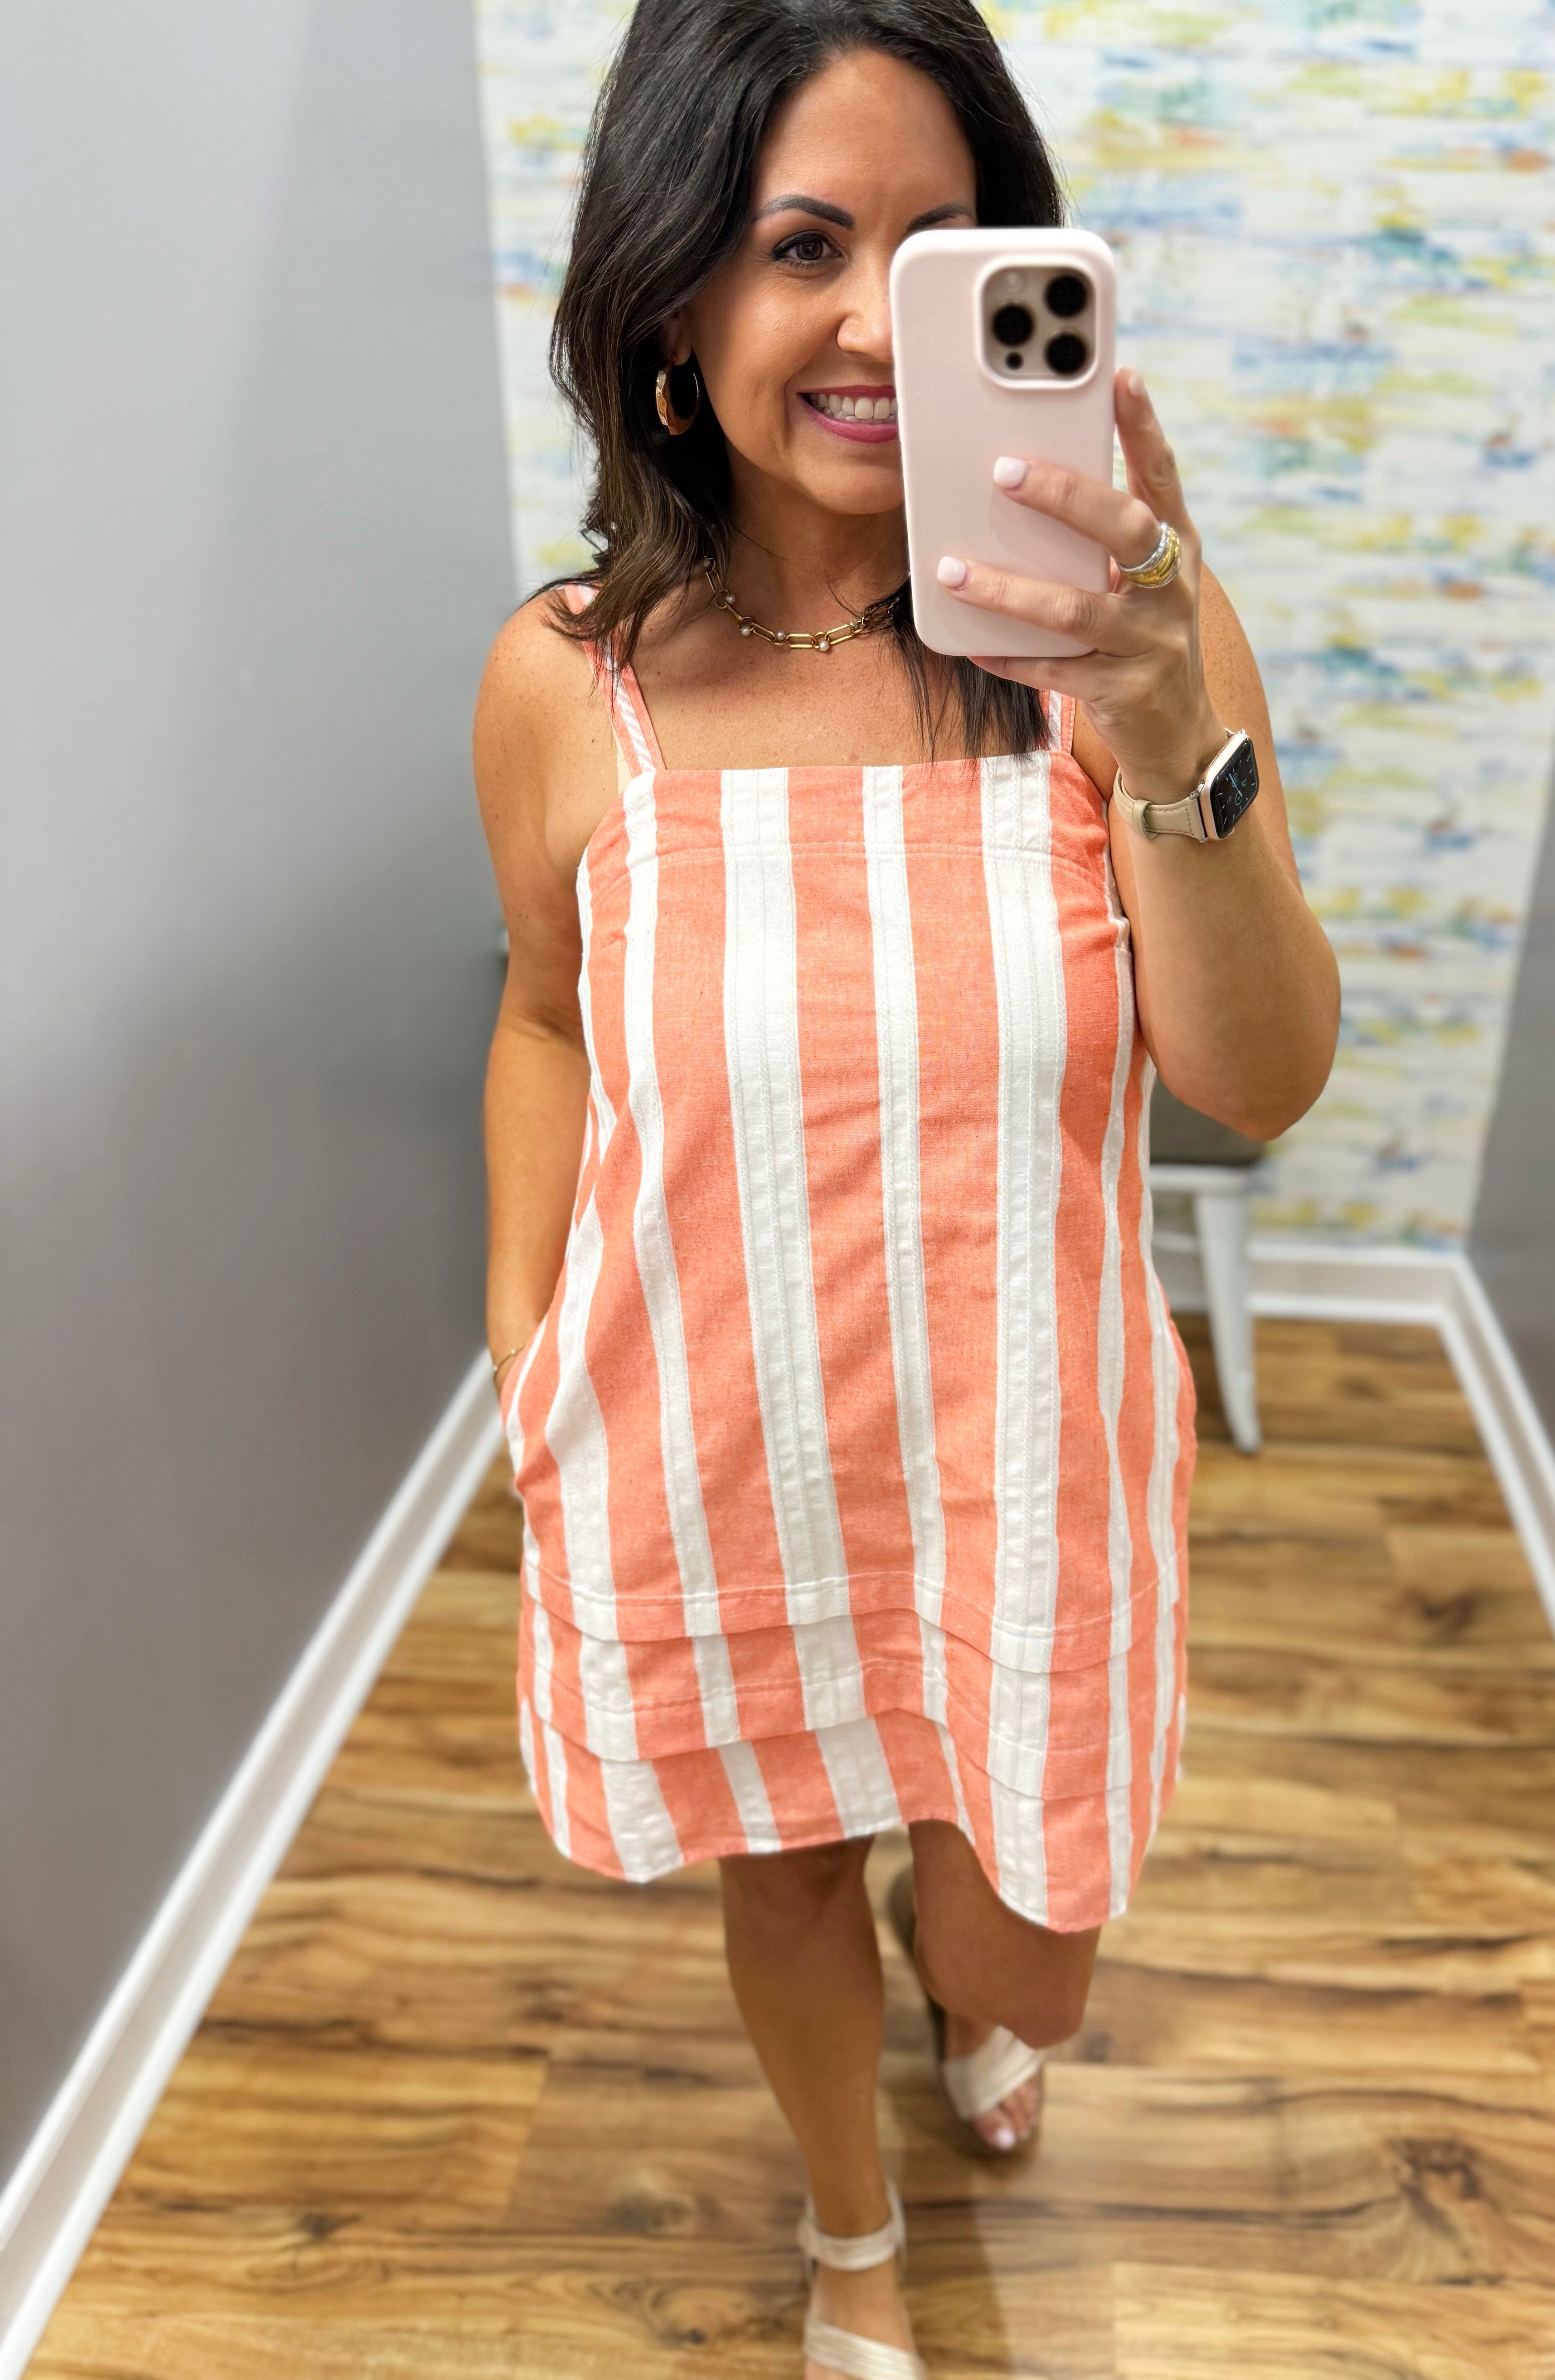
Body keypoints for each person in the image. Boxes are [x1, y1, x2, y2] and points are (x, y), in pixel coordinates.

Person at [473, 4, 1339, 2372]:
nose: (875, 321)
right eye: (802, 247)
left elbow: (1260, 1079)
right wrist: (521, 1334)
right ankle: (850, 2233)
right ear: (672, 303)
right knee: (781, 1882)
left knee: (1018, 1947)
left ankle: (969, 2017)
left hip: (1026, 1465)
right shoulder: (567, 683)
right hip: (715, 1453)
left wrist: (1165, 722)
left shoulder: (1121, 647)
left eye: (942, 249)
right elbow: (544, 1017)